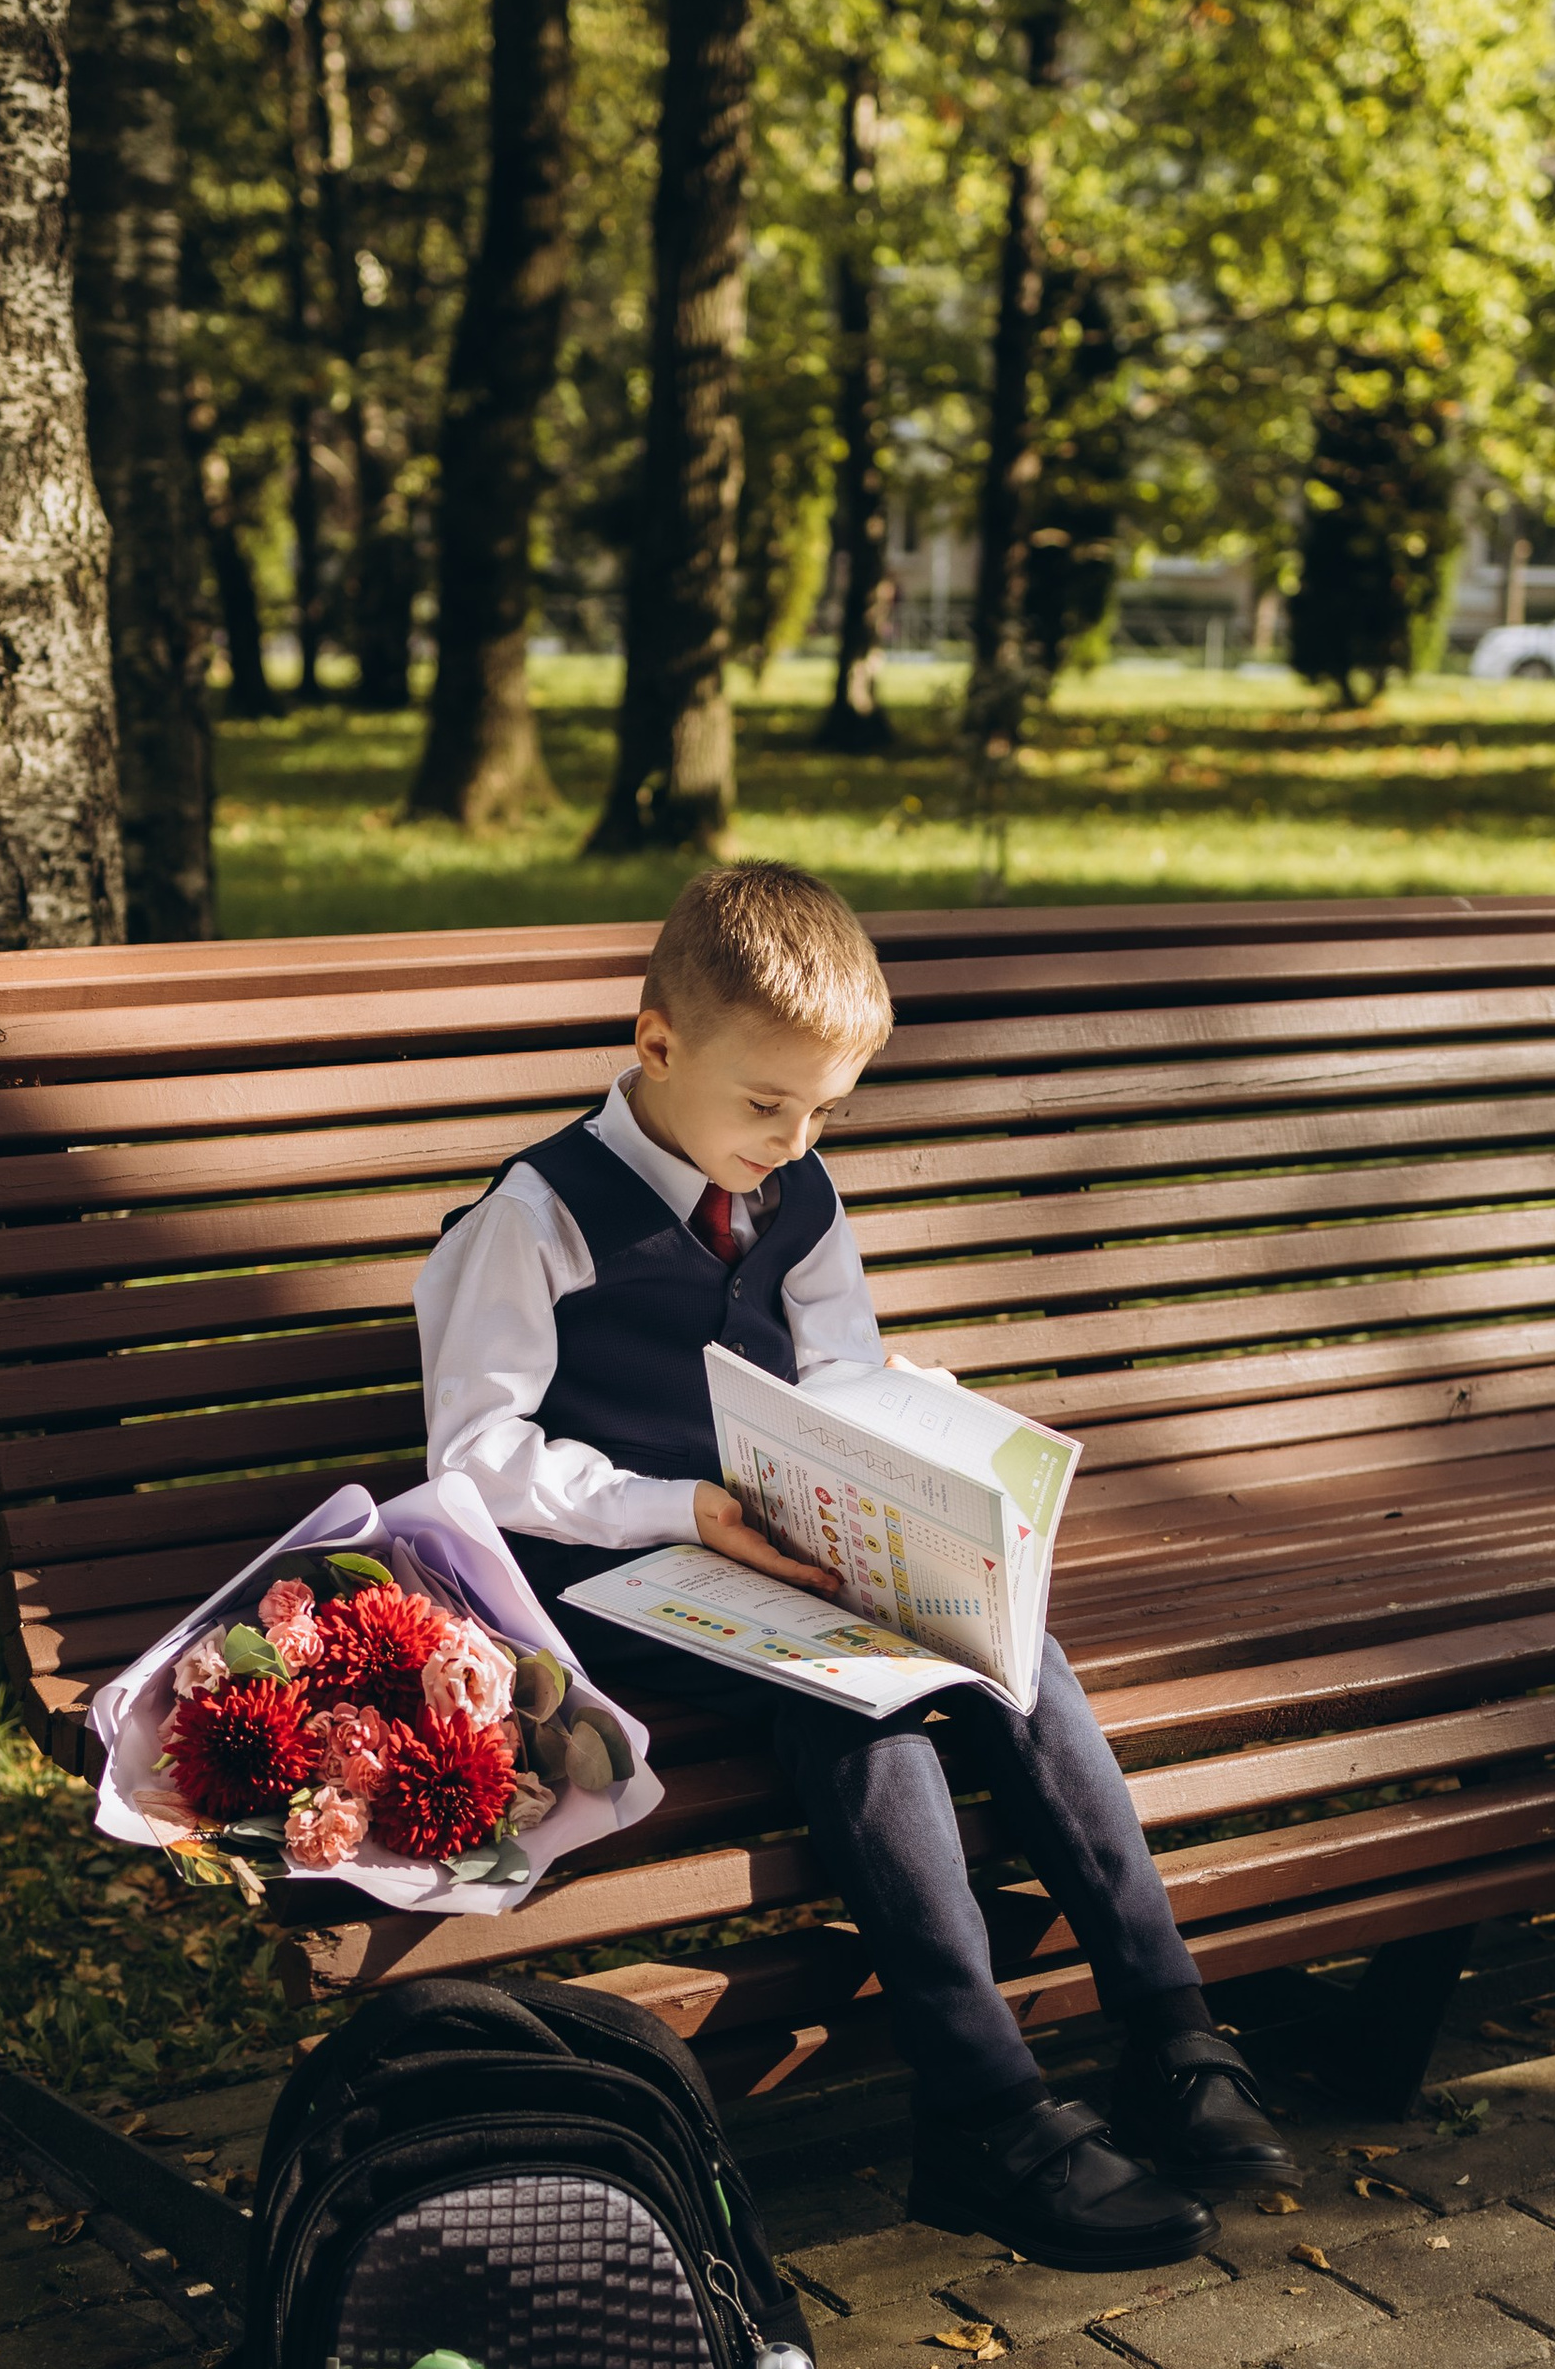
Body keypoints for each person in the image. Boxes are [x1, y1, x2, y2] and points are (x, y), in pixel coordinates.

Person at [413, 860, 1294, 2268]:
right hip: (606, 1577)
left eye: (827, 1109)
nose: (796, 1137)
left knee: (1014, 1651)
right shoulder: (539, 1217)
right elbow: (476, 1455)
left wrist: (906, 1449)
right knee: (855, 1700)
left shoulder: (799, 1194)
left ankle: (1170, 2028)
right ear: (656, 1044)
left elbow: (839, 1375)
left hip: (769, 1552)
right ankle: (986, 2110)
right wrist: (676, 1506)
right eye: (769, 1103)